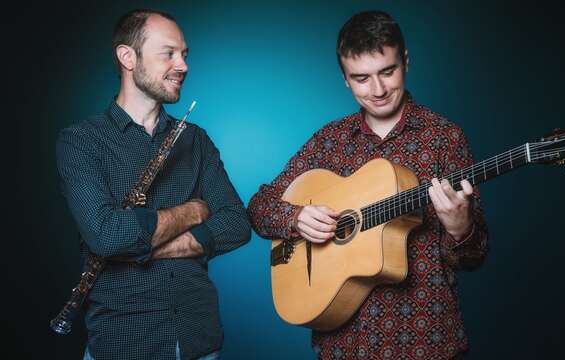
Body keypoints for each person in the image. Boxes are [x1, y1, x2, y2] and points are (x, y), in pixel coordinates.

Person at [248, 10, 488, 360]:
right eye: (361, 78)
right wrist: (296, 217)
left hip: (425, 340)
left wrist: (461, 228)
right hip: (344, 344)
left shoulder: (444, 139)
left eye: (387, 72)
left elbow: (473, 258)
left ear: (405, 61)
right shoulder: (328, 142)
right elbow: (260, 206)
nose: (377, 90)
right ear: (345, 79)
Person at [56, 9, 251, 360]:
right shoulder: (82, 141)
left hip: (199, 339)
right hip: (124, 343)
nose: (183, 65)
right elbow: (107, 235)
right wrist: (194, 210)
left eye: (185, 55)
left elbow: (237, 224)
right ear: (127, 57)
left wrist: (145, 245)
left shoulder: (196, 141)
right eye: (169, 53)